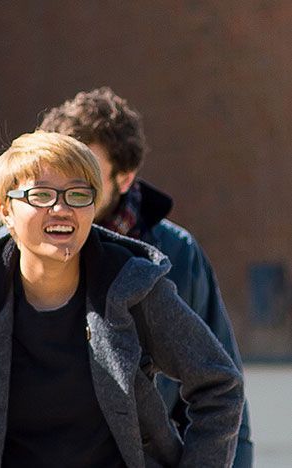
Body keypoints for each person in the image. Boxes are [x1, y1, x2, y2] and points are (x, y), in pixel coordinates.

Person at [0, 131, 243, 467]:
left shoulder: (135, 287)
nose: (61, 208)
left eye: (78, 195)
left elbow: (219, 384)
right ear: (5, 209)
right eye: (41, 195)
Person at [38, 86, 252, 467]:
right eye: (62, 168)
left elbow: (221, 388)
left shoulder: (177, 255)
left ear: (124, 179)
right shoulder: (8, 249)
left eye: (88, 175)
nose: (68, 191)